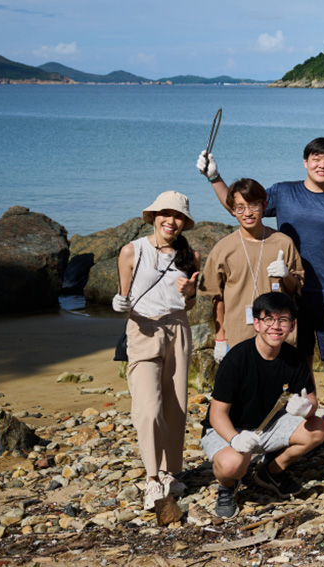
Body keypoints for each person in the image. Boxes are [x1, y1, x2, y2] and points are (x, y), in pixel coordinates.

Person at [198, 138, 324, 366]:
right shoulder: (283, 192)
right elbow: (243, 207)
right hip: (289, 291)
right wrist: (214, 178)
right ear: (305, 162)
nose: (322, 165)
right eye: (316, 159)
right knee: (296, 357)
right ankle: (303, 399)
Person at [201, 292, 324, 518]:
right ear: (256, 323)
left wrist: (306, 408)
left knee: (318, 428)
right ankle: (227, 487)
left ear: (292, 325)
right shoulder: (236, 359)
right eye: (269, 319)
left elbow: (312, 400)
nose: (276, 326)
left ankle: (271, 470)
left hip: (268, 425)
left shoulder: (295, 358)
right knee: (233, 464)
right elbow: (217, 414)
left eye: (283, 320)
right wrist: (234, 439)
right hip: (229, 429)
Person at [112, 191, 201, 510]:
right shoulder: (131, 251)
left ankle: (167, 472)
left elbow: (189, 304)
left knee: (175, 406)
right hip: (143, 329)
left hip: (178, 330)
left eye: (178, 216)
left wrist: (191, 293)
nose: (171, 220)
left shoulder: (192, 256)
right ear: (153, 216)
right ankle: (151, 480)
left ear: (184, 222)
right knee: (148, 408)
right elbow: (123, 298)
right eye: (165, 214)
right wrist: (117, 302)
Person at [200, 178, 304, 362]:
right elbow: (217, 297)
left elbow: (296, 288)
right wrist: (220, 339)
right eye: (240, 207)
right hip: (239, 336)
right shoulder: (223, 248)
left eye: (253, 205)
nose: (247, 213)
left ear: (264, 205)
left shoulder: (283, 242)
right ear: (232, 210)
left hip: (278, 336)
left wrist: (286, 275)